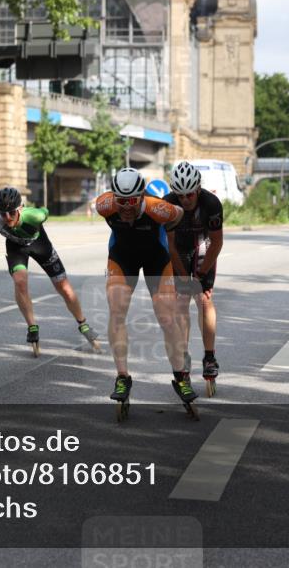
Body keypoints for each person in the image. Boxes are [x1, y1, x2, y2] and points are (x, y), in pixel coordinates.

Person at [95, 167, 191, 407]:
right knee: (116, 309)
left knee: (166, 318)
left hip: (156, 259)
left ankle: (180, 375)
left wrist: (168, 228)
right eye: (121, 201)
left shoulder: (156, 208)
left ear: (141, 196)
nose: (126, 207)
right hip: (122, 257)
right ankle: (122, 377)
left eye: (131, 201)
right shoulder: (104, 205)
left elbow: (179, 214)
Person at [0, 186, 99, 355]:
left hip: (40, 246)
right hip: (16, 249)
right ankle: (32, 326)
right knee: (20, 282)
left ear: (20, 208)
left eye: (11, 212)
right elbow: (2, 222)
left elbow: (44, 212)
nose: (8, 217)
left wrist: (40, 212)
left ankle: (83, 323)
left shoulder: (35, 216)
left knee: (64, 288)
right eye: (3, 214)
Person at [164, 161, 224, 394]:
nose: (186, 199)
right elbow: (169, 246)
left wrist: (200, 275)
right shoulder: (168, 204)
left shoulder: (211, 203)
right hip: (178, 250)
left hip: (203, 247)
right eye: (181, 195)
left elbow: (217, 242)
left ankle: (209, 357)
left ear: (198, 189)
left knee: (205, 299)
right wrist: (183, 277)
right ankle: (183, 356)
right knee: (181, 300)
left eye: (190, 194)